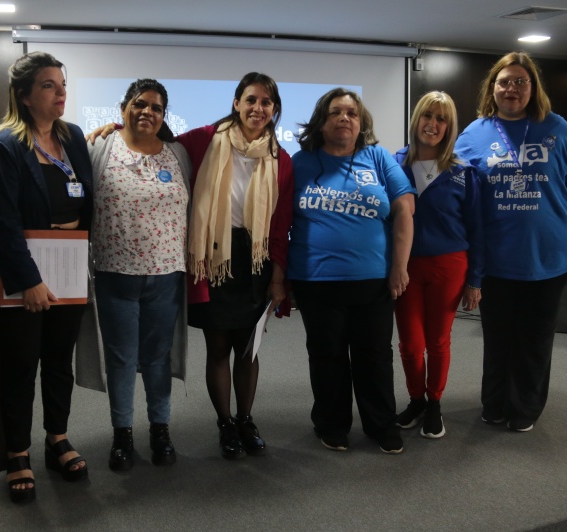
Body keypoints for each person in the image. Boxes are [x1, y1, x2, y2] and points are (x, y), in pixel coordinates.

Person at [454, 51, 567, 432]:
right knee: (498, 336)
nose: (512, 88)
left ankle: (525, 409)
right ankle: (495, 404)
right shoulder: (473, 134)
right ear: (492, 88)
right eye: (504, 81)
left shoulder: (557, 127)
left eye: (521, 81)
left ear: (533, 88)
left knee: (534, 337)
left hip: (550, 255)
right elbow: (455, 191)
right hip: (496, 258)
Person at [0, 51, 93, 503]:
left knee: (59, 360)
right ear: (25, 96)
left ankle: (57, 438)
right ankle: (17, 452)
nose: (60, 92)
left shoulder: (74, 136)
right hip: (25, 269)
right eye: (49, 85)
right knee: (22, 364)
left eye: (62, 84)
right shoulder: (6, 145)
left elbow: (87, 199)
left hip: (68, 266)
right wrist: (28, 279)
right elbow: (1, 221)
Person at [287, 88, 415, 453]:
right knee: (326, 357)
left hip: (373, 280)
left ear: (361, 123)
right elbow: (279, 219)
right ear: (321, 122)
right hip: (316, 280)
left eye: (352, 113)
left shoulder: (378, 157)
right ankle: (331, 424)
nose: (345, 118)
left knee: (374, 356)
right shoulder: (301, 162)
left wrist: (400, 267)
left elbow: (405, 209)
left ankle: (381, 424)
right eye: (336, 112)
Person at [177, 72, 293, 459]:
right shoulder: (204, 139)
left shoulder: (281, 159)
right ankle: (225, 423)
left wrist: (278, 277)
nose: (258, 108)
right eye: (251, 100)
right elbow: (156, 143)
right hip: (214, 256)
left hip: (254, 258)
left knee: (248, 349)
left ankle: (245, 419)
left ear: (274, 109)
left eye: (266, 102)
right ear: (236, 103)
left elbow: (281, 224)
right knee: (218, 347)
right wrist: (113, 129)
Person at [86, 79, 191, 471]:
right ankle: (122, 434)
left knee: (158, 357)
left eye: (156, 107)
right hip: (115, 274)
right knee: (121, 359)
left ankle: (160, 429)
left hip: (166, 275)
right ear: (123, 108)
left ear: (164, 116)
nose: (148, 111)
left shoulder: (178, 154)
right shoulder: (99, 147)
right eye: (140, 104)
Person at [392, 91, 484, 439]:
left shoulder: (463, 171)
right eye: (427, 116)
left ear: (449, 127)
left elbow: (477, 229)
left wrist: (475, 280)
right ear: (416, 119)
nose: (432, 124)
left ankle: (434, 403)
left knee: (438, 341)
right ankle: (416, 399)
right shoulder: (394, 164)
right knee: (410, 343)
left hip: (449, 266)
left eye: (441, 119)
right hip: (405, 267)